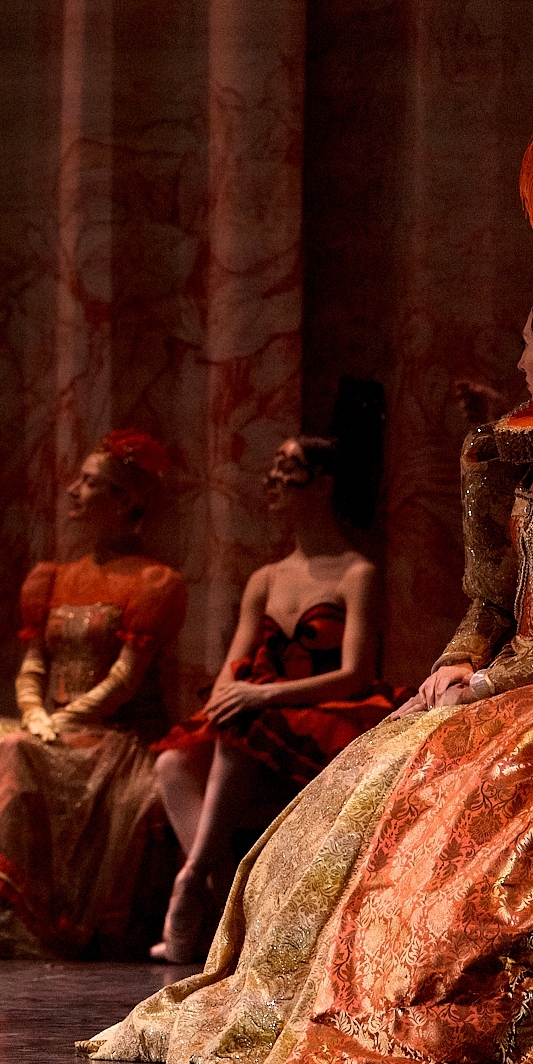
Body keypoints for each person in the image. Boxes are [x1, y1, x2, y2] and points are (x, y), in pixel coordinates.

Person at [80, 65, 533, 1064]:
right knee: (369, 772)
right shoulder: (508, 457)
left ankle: (452, 988)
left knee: (458, 800)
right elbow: (487, 603)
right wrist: (455, 663)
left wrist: (490, 681)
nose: (518, 366)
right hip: (512, 678)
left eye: (527, 350)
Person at [147, 380, 402, 963]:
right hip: (262, 720)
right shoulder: (265, 577)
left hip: (333, 713)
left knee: (243, 730)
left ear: (323, 483)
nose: (272, 481)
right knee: (172, 762)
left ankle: (192, 884)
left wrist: (261, 699)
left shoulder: (356, 573)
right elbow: (234, 665)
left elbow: (355, 674)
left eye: (287, 469)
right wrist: (224, 700)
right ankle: (221, 896)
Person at [0, 430, 188, 959]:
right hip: (50, 729)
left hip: (115, 734)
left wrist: (62, 721)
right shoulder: (53, 578)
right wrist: (33, 711)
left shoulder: (154, 582)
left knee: (10, 753)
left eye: (88, 482)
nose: (73, 490)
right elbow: (34, 663)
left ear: (124, 501)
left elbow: (124, 679)